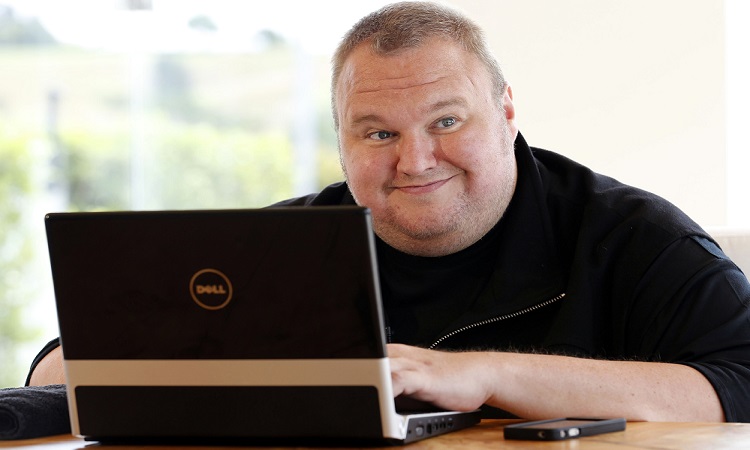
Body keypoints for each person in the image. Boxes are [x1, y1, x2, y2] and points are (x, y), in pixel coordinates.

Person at [28, 1, 750, 422]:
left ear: (506, 112)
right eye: (378, 132)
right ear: (341, 142)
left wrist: (483, 376)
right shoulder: (280, 246)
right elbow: (53, 376)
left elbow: (739, 384)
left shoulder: (632, 236)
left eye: (445, 121)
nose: (415, 160)